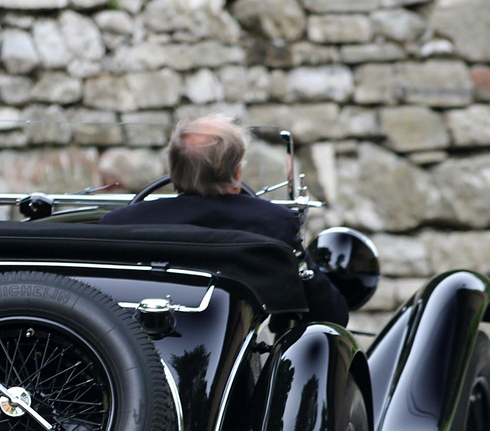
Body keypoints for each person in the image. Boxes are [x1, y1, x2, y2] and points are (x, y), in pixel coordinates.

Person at [98, 115, 349, 326]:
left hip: (138, 347)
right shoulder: (273, 222)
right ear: (237, 173)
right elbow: (332, 313)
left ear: (174, 171)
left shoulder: (120, 223)